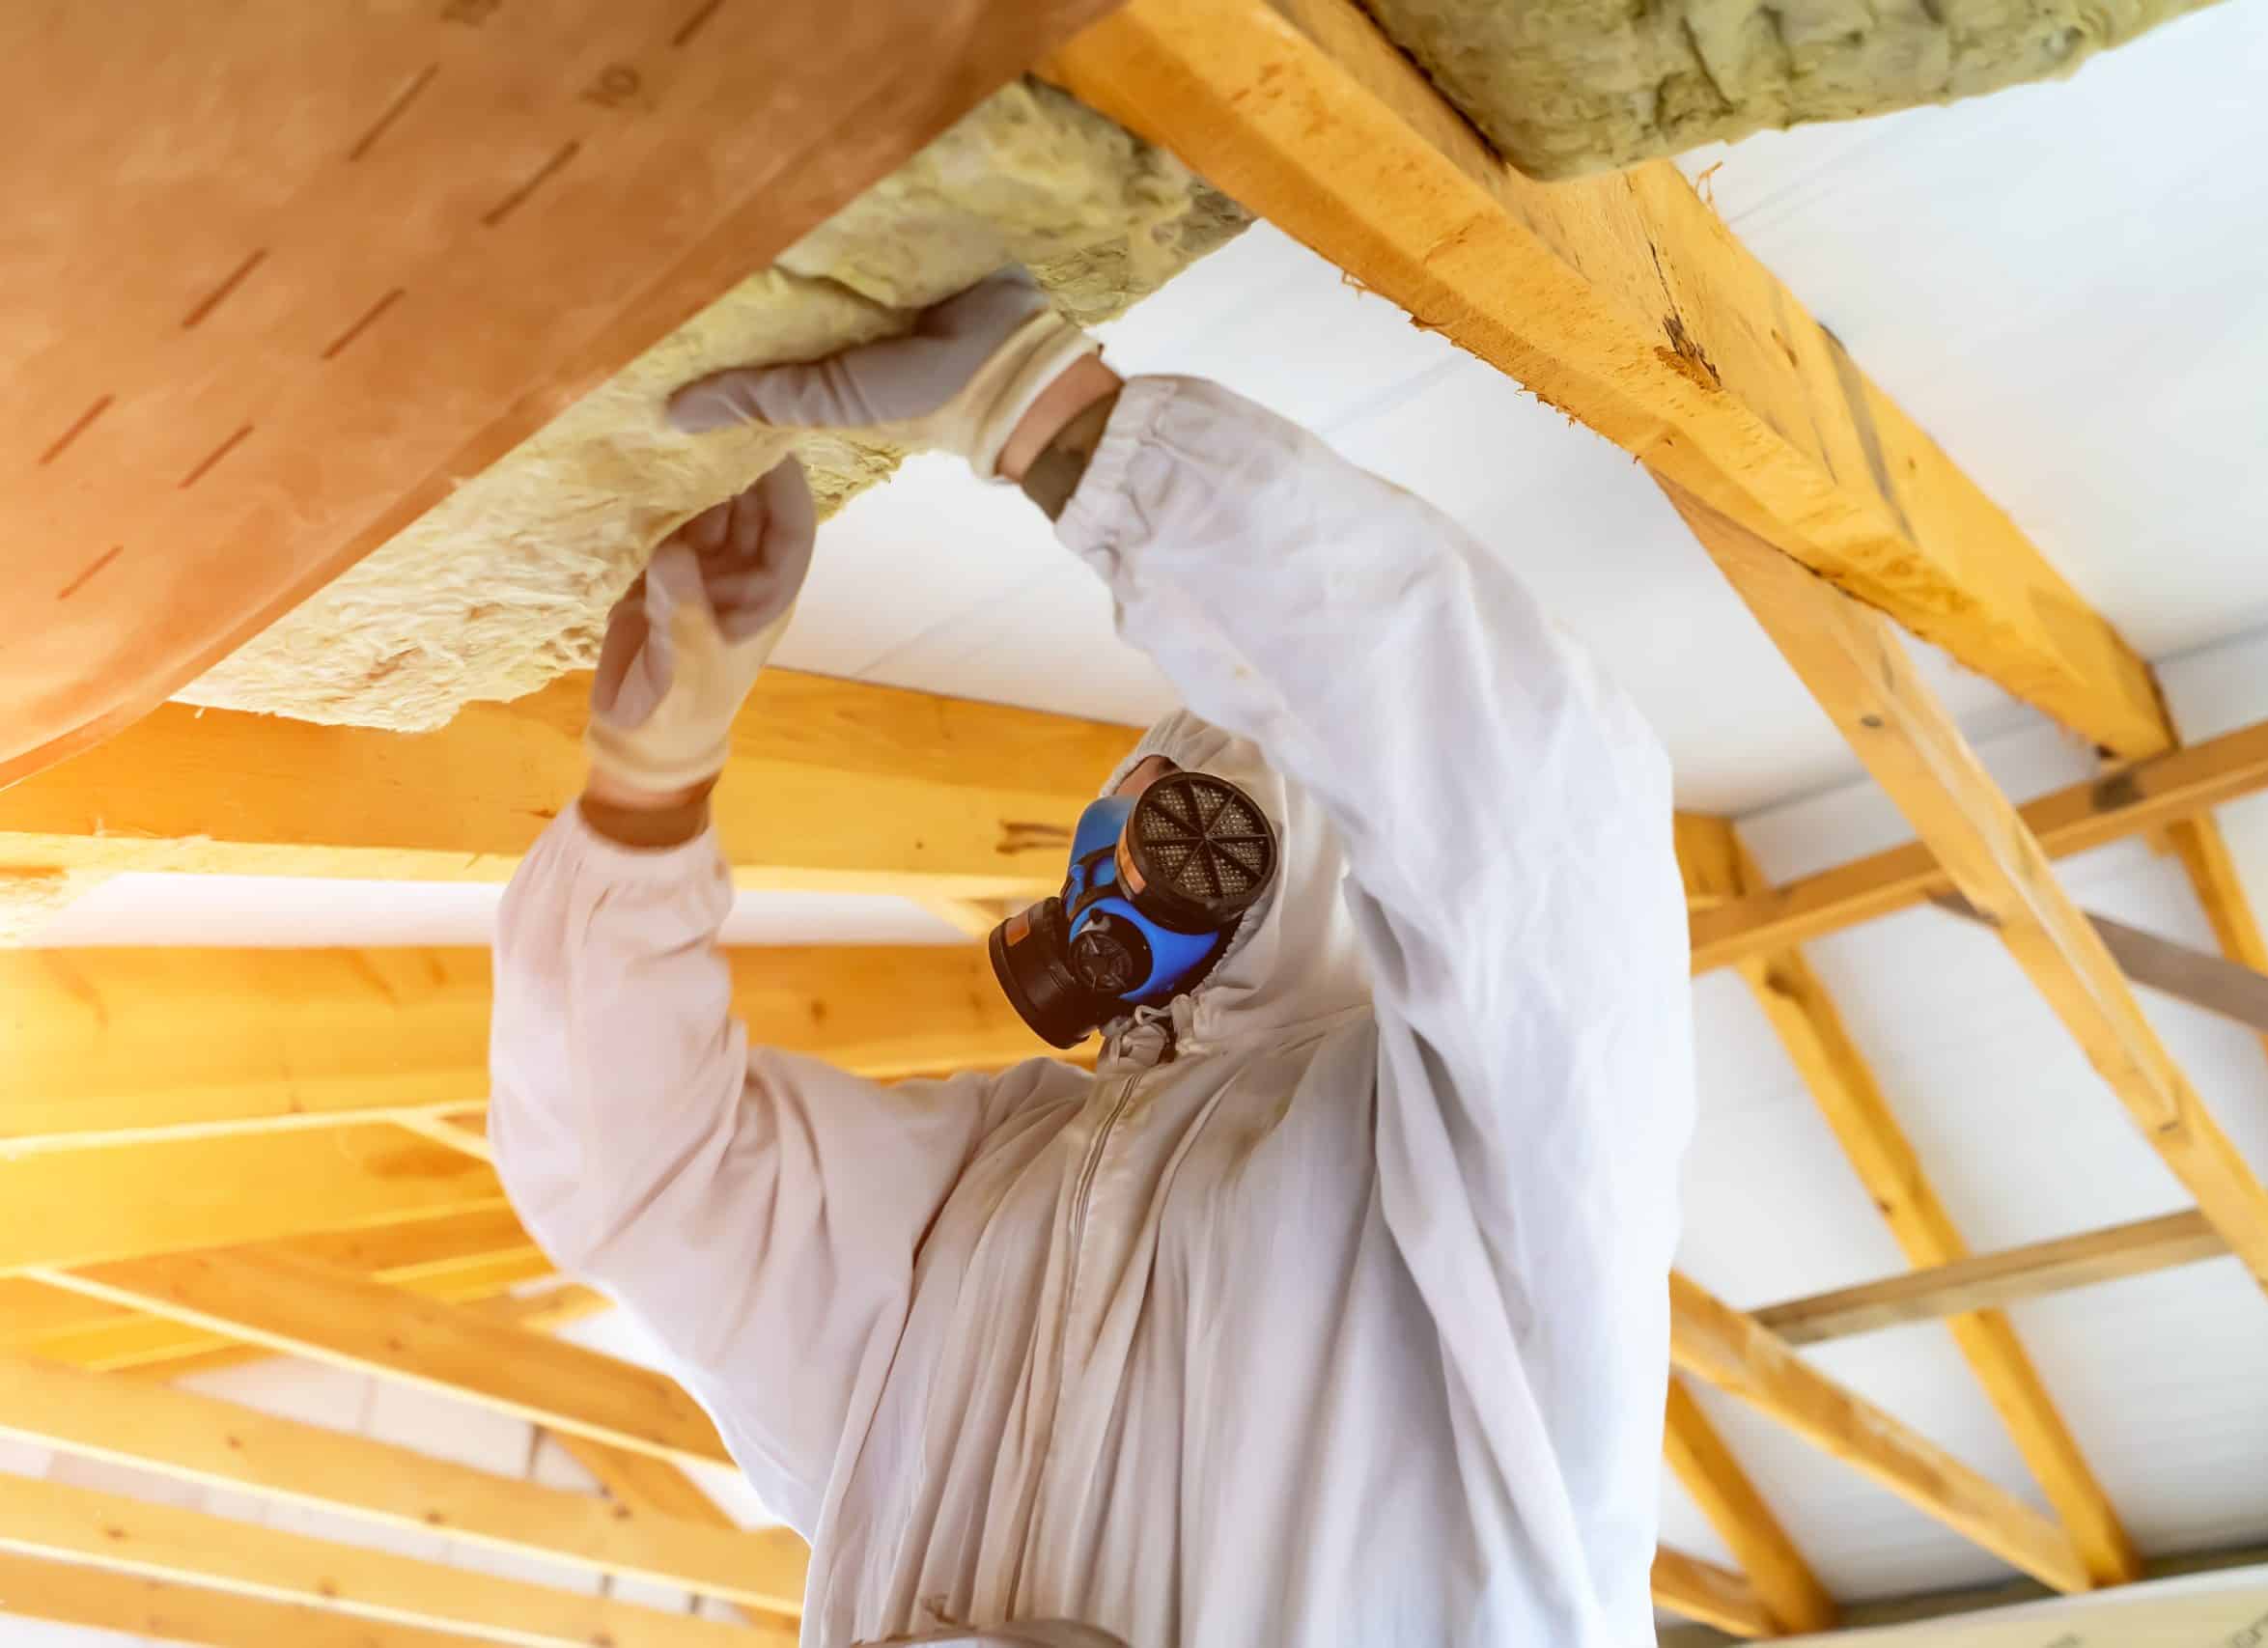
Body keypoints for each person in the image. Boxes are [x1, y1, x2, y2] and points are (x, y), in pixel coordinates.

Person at [490, 270, 1694, 1648]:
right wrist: (642, 807)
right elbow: (647, 1178)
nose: (1144, 873)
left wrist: (1061, 423)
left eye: (1200, 841)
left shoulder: (1444, 1166)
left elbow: (1544, 839)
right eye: (1147, 826)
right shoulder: (991, 1175)